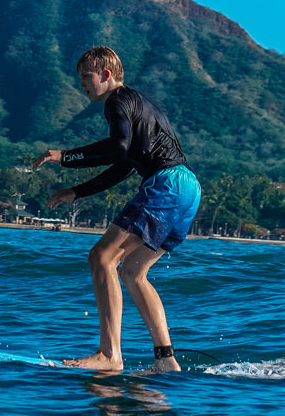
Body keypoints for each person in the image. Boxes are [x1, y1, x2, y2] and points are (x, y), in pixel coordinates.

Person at [35, 46, 200, 373]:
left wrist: (65, 156)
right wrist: (77, 191)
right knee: (132, 272)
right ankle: (166, 360)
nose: (81, 84)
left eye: (86, 76)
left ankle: (110, 355)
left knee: (101, 257)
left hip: (166, 183)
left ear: (106, 75)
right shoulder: (139, 104)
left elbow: (117, 147)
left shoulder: (117, 101)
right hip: (188, 188)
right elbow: (125, 164)